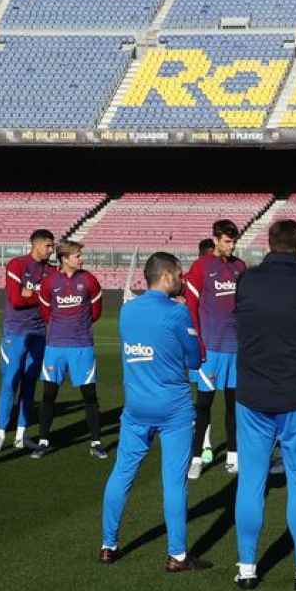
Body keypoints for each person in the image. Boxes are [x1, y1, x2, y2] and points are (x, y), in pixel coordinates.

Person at [231, 219, 296, 591]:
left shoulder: (247, 280)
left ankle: (247, 568)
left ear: (269, 243)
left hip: (254, 392)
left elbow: (239, 324)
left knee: (251, 481)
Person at [99, 252, 210, 572]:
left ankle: (109, 545)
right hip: (173, 407)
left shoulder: (127, 312)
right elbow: (194, 358)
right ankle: (177, 555)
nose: (183, 279)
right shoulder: (178, 314)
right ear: (164, 276)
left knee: (122, 473)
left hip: (135, 405)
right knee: (174, 482)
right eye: (178, 274)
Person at [32, 240, 106, 459]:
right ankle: (44, 440)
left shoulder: (89, 280)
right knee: (48, 395)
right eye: (77, 256)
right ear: (64, 259)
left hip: (82, 346)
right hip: (55, 346)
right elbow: (45, 312)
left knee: (90, 395)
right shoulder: (49, 282)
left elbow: (96, 311)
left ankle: (96, 441)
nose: (81, 259)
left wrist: (79, 328)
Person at [185, 220, 246, 478]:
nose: (231, 246)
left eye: (233, 242)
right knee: (203, 405)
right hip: (210, 348)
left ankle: (233, 456)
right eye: (226, 241)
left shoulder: (240, 267)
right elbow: (190, 308)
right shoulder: (200, 267)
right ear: (216, 240)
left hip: (235, 349)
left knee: (234, 407)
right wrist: (197, 342)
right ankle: (197, 457)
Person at [0, 229, 55, 454]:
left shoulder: (51, 270)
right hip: (15, 332)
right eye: (48, 246)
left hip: (38, 333)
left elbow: (50, 301)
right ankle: (0, 434)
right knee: (10, 382)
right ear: (35, 244)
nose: (51, 250)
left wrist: (32, 295)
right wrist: (39, 297)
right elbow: (16, 300)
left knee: (29, 384)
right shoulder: (17, 265)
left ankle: (21, 434)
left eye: (52, 246)